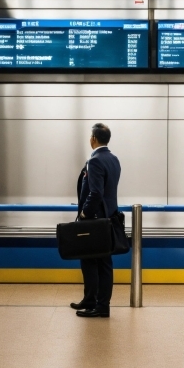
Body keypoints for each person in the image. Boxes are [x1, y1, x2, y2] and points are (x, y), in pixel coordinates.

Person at [71, 123, 121, 318]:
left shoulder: (96, 160)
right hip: (108, 217)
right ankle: (91, 299)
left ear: (93, 138)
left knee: (93, 261)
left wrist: (84, 214)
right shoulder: (114, 159)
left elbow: (96, 192)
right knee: (99, 262)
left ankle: (100, 306)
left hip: (94, 220)